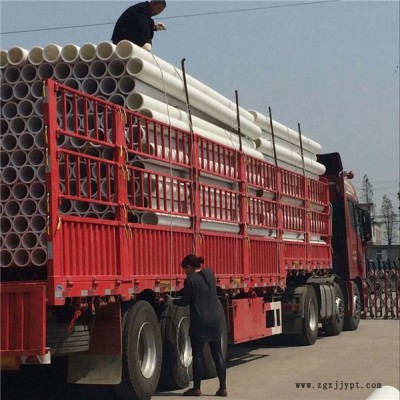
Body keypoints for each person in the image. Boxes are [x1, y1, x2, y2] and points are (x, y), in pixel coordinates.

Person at [167, 254, 227, 397]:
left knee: (198, 354)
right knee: (217, 354)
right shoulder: (210, 274)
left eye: (185, 270)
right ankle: (223, 388)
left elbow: (185, 301)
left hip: (200, 322)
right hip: (215, 320)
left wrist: (172, 301)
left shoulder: (190, 280)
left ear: (189, 267)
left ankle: (197, 388)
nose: (185, 273)